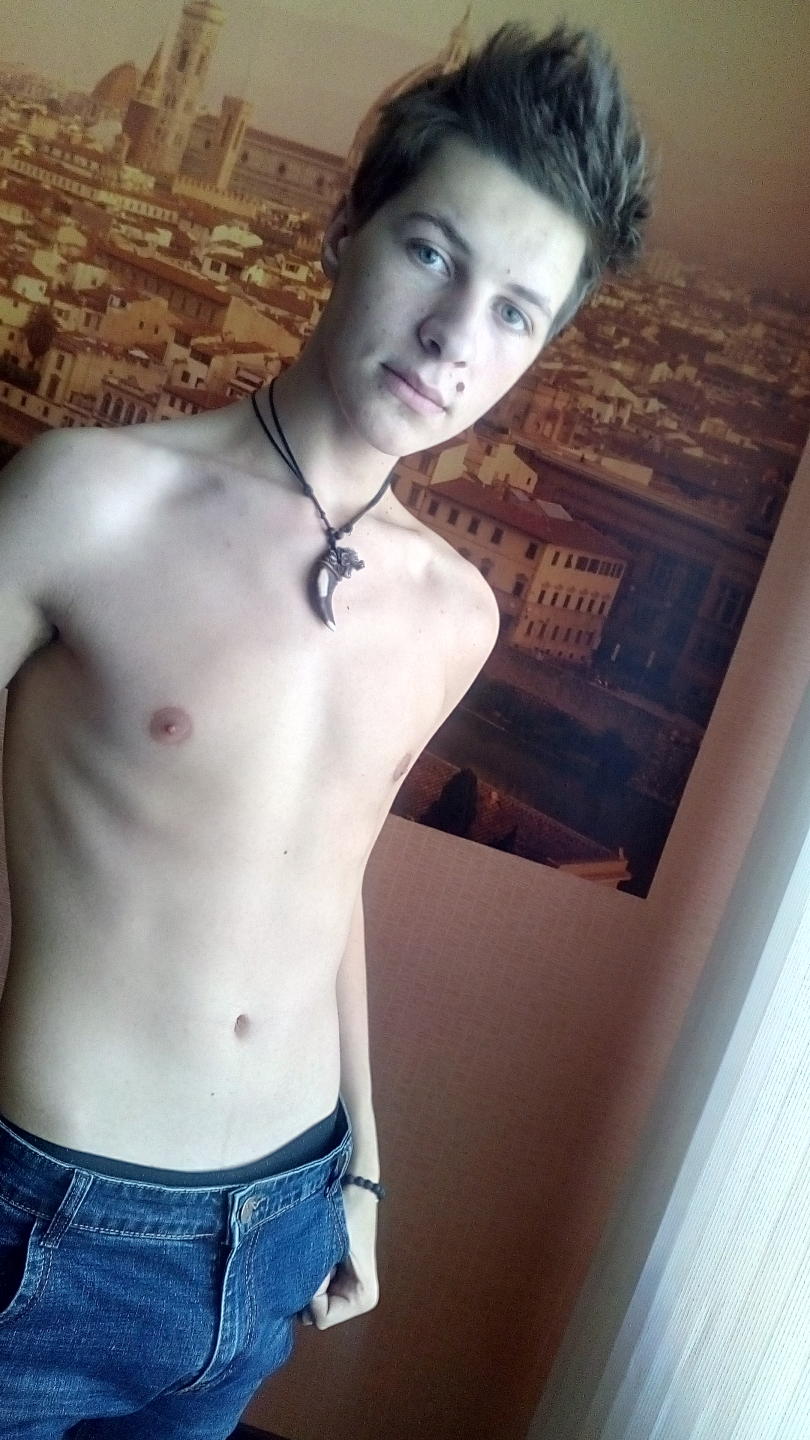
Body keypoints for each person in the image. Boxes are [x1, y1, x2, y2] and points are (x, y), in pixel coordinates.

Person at [0, 21, 649, 1437]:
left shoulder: (457, 613)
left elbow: (327, 875)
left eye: (514, 312)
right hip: (40, 1216)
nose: (454, 336)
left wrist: (362, 1168)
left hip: (280, 1220)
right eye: (431, 253)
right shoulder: (84, 501)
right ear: (346, 231)